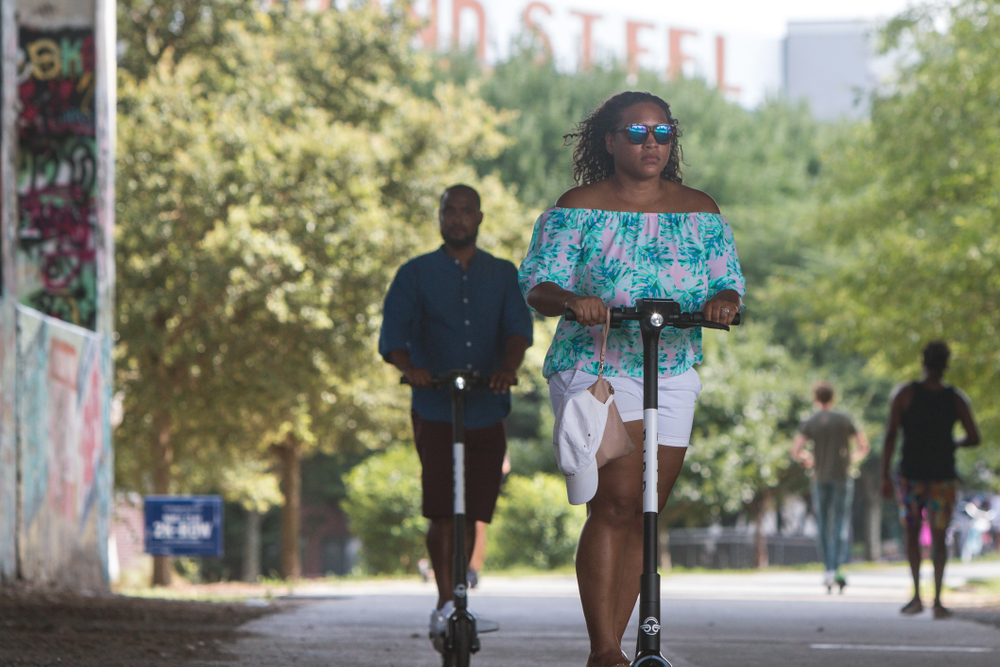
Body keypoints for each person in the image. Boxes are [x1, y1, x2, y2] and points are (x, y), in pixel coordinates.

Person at [518, 91, 744, 667]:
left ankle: (617, 647)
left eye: (663, 133)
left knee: (647, 506)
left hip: (669, 366)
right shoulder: (577, 207)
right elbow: (539, 284)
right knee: (616, 502)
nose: (652, 143)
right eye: (638, 132)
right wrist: (575, 300)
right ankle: (604, 650)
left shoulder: (701, 209)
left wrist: (721, 302)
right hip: (595, 366)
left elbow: (729, 284)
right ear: (610, 141)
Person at [378, 184, 533, 639]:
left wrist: (507, 367)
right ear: (440, 216)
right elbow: (393, 336)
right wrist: (412, 369)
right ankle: (445, 600)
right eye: (450, 210)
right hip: (435, 405)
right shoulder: (415, 273)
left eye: (467, 211)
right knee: (443, 510)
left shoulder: (502, 274)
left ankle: (462, 591)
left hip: (486, 406)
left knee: (475, 511)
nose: (458, 219)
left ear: (480, 218)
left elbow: (518, 331)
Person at [881, 341, 980, 619]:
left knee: (912, 534)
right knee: (939, 537)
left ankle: (916, 597)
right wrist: (951, 443)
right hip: (942, 477)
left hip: (911, 476)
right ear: (946, 365)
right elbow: (974, 437)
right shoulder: (955, 398)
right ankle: (937, 601)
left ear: (923, 362)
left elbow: (890, 435)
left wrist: (884, 476)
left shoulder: (905, 394)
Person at [791, 382, 870, 592]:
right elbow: (864, 446)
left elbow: (796, 450)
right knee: (840, 524)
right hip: (842, 477)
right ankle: (839, 568)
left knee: (823, 525)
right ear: (833, 398)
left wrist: (808, 458)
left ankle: (827, 570)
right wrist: (850, 458)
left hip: (819, 478)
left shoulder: (811, 421)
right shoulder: (844, 419)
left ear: (816, 398)